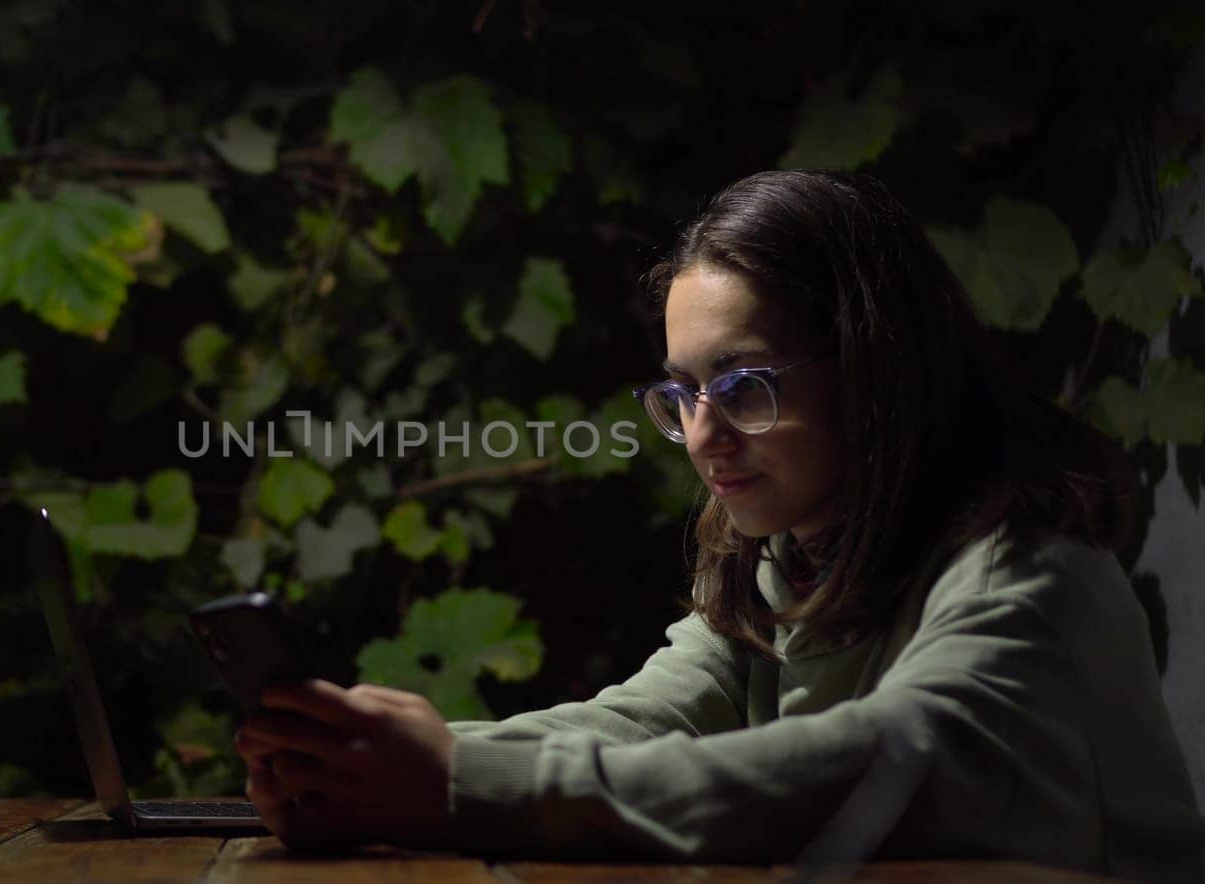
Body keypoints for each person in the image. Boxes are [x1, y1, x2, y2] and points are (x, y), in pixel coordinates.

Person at [232, 170, 1205, 880]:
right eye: (681, 394)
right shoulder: (787, 554)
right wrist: (377, 769)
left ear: (876, 370)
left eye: (743, 389)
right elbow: (641, 719)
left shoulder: (1025, 573)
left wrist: (454, 779)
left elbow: (874, 760)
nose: (702, 438)